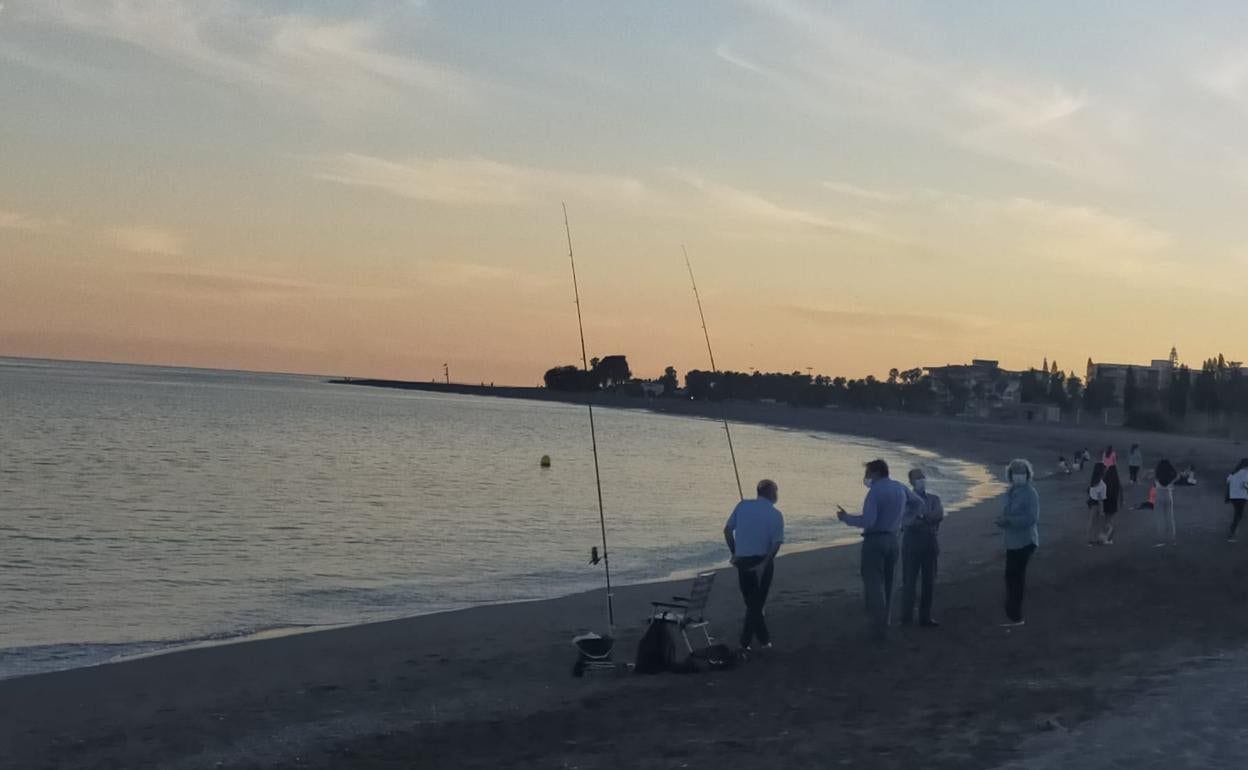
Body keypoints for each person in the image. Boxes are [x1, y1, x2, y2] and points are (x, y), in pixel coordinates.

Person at [837, 459, 922, 642]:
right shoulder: (899, 487)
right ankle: (886, 621)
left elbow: (868, 521)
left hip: (875, 540)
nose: (866, 477)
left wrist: (846, 518)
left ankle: (878, 626)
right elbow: (918, 503)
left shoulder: (875, 493)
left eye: (868, 473)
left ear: (875, 473)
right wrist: (904, 520)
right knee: (889, 583)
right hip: (893, 538)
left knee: (874, 583)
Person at [724, 479, 785, 650]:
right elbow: (776, 543)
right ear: (771, 494)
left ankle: (761, 640)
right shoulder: (775, 514)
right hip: (761, 560)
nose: (777, 495)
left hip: (743, 561)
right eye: (776, 491)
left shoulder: (743, 506)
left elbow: (728, 530)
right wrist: (765, 563)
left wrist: (734, 552)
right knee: (756, 604)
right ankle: (747, 642)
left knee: (753, 603)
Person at [997, 459, 1039, 628]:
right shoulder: (1010, 491)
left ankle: (1015, 616)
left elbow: (1032, 518)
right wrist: (1003, 521)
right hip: (1011, 541)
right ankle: (1012, 613)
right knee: (1010, 577)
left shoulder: (1030, 493)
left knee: (1015, 577)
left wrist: (1009, 521)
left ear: (1027, 474)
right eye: (1015, 473)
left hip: (1026, 541)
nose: (1019, 476)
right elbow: (1007, 512)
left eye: (1022, 472)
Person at [900, 468, 944, 628]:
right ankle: (907, 618)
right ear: (911, 482)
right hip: (911, 544)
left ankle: (925, 618)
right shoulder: (905, 499)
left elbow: (939, 515)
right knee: (909, 582)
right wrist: (926, 519)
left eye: (922, 477)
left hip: (929, 543)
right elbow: (906, 522)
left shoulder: (934, 498)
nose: (921, 480)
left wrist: (921, 517)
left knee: (929, 582)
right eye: (917, 478)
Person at [1153, 459, 1178, 547]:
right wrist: (1172, 482)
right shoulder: (1169, 478)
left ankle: (1161, 539)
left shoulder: (1157, 475)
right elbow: (1176, 476)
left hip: (1159, 497)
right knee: (1170, 518)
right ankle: (1172, 539)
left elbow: (1152, 482)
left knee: (1160, 519)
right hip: (1168, 496)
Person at [1225, 459, 1248, 543]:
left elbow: (1227, 481)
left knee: (1238, 514)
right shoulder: (1246, 473)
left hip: (1233, 497)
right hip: (1241, 497)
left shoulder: (1234, 472)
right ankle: (1231, 534)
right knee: (1238, 515)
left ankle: (1232, 529)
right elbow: (1245, 484)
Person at [1101, 464, 1123, 544]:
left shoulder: (1105, 480)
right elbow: (1121, 493)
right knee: (1109, 520)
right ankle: (1109, 538)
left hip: (1106, 503)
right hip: (1113, 503)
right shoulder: (1117, 481)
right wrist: (1120, 503)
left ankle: (1108, 535)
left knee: (1105, 521)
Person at [1086, 462, 1107, 545]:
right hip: (1096, 503)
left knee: (1092, 521)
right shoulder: (1101, 484)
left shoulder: (1093, 480)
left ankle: (1091, 539)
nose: (1105, 471)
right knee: (1096, 521)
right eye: (1104, 470)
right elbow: (1100, 499)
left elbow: (1090, 492)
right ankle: (1094, 538)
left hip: (1091, 501)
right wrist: (1102, 510)